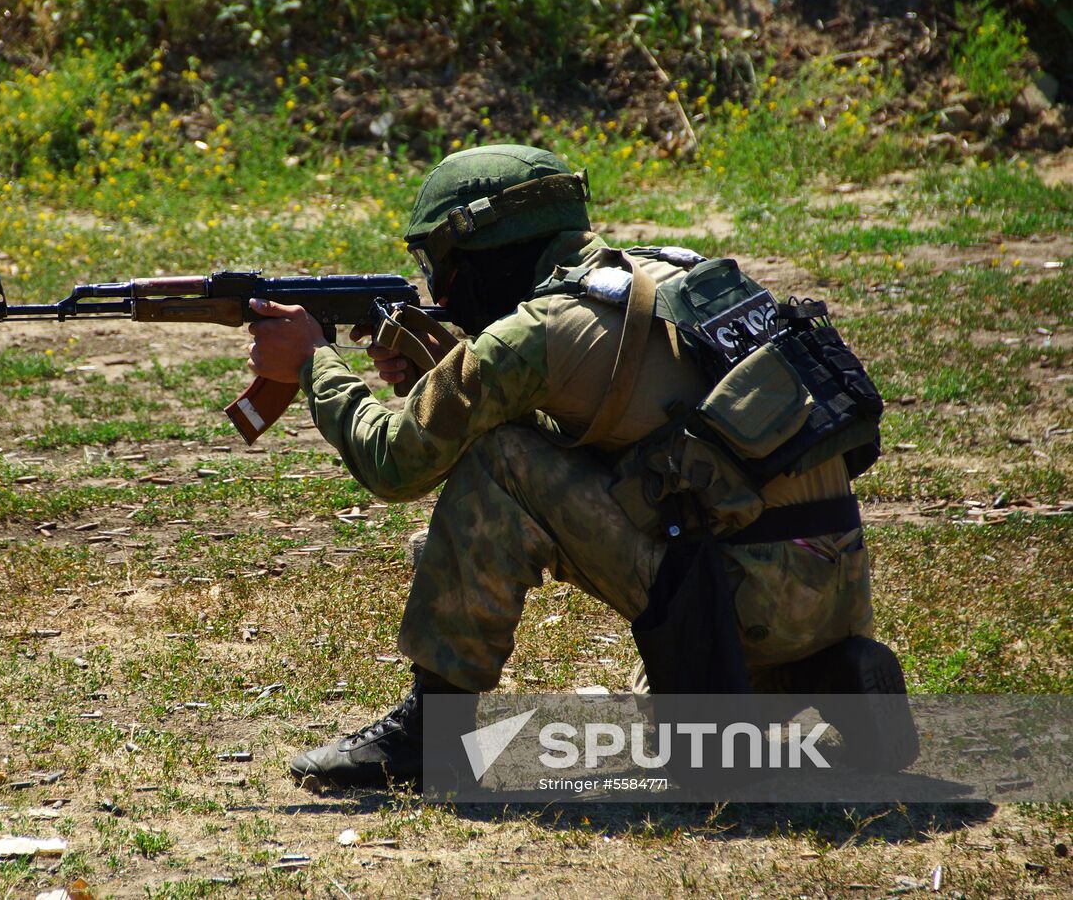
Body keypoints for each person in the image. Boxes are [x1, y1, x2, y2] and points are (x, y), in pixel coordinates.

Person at [245, 144, 914, 790]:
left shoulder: (536, 331)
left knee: (495, 460)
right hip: (832, 588)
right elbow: (624, 434)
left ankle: (430, 732)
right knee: (668, 709)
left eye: (439, 262)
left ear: (479, 252)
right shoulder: (670, 275)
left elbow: (392, 463)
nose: (436, 284)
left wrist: (313, 363)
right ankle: (821, 674)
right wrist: (448, 370)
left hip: (736, 597)